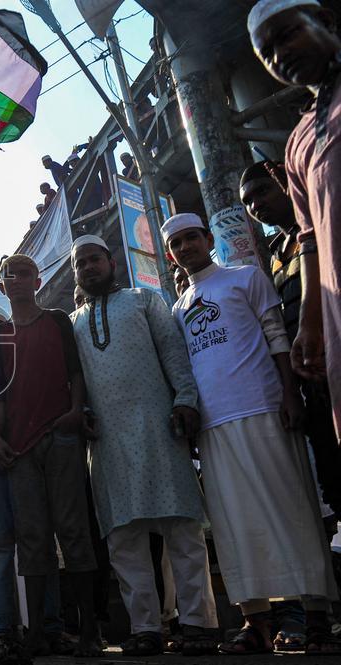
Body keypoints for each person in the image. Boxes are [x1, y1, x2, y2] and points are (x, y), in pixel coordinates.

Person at [163, 212, 340, 655]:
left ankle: (318, 617)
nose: (186, 248)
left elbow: (278, 339)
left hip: (264, 409)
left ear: (207, 239)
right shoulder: (179, 308)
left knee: (292, 509)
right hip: (213, 426)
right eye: (177, 244)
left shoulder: (246, 278)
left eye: (191, 238)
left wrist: (289, 395)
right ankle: (255, 623)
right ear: (170, 253)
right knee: (233, 526)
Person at [70, 235, 219, 657]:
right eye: (81, 264)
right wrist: (80, 410)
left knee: (182, 529)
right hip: (108, 441)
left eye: (94, 260)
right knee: (123, 538)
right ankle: (146, 627)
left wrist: (185, 399)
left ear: (111, 262)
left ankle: (198, 624)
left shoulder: (145, 300)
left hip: (159, 426)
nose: (88, 268)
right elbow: (74, 381)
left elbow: (175, 354)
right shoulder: (74, 322)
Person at [0, 254, 101, 657]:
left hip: (61, 436)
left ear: (37, 280)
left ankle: (90, 632)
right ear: (1, 287)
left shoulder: (57, 320)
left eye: (22, 274)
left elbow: (76, 373)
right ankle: (36, 633)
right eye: (8, 276)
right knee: (32, 539)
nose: (14, 280)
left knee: (73, 531)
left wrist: (75, 410)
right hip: (19, 447)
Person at [250, 0, 341, 436]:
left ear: (323, 21)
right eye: (267, 54)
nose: (279, 56)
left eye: (286, 36)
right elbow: (309, 238)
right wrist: (311, 319)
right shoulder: (297, 143)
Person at [240, 160, 341, 517]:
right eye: (248, 201)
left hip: (336, 361)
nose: (256, 206)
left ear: (285, 182)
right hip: (313, 385)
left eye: (262, 192)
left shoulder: (325, 225)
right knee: (335, 480)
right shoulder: (278, 255)